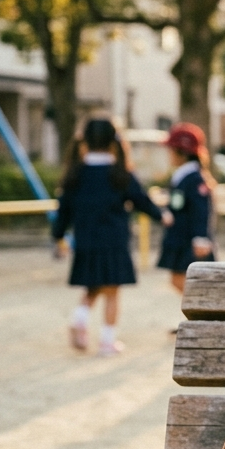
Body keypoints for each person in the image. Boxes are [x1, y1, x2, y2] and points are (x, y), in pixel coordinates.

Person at [53, 118, 169, 355]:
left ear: (85, 141)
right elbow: (141, 200)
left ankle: (79, 318)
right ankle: (107, 342)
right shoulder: (119, 173)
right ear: (113, 141)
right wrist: (162, 216)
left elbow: (63, 210)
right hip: (114, 241)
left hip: (85, 240)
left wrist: (58, 236)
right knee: (112, 292)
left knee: (92, 285)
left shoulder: (76, 173)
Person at [158, 122, 217, 294]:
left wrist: (201, 237)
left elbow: (201, 209)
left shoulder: (195, 178)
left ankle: (203, 307)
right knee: (178, 279)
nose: (169, 155)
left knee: (186, 281)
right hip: (180, 236)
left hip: (189, 238)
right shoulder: (183, 175)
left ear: (182, 153)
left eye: (171, 150)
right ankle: (199, 307)